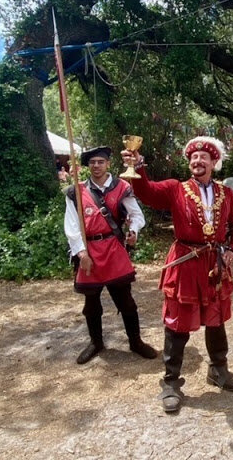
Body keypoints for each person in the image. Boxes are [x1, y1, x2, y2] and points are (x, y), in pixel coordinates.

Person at [122, 137, 233, 413]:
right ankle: (170, 383)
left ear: (214, 163)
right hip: (185, 260)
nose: (197, 161)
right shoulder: (175, 189)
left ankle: (218, 370)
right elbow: (147, 192)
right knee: (177, 322)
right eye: (193, 157)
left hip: (213, 263)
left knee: (216, 319)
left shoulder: (226, 193)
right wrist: (138, 166)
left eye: (203, 157)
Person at [64, 146, 157, 365]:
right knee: (91, 303)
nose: (96, 166)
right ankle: (96, 343)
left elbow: (136, 215)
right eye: (92, 162)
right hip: (89, 252)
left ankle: (135, 342)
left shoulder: (122, 187)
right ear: (88, 166)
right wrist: (81, 252)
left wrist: (133, 231)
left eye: (100, 162)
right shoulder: (75, 191)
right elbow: (71, 225)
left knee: (126, 301)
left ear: (108, 164)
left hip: (114, 248)